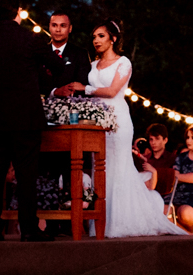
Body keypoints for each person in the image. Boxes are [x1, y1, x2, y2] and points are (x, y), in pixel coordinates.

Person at [69, 19, 186, 238]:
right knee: (99, 169)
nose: (96, 40)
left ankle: (122, 222)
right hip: (96, 123)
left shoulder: (123, 62)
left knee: (118, 168)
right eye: (94, 36)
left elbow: (113, 90)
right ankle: (102, 221)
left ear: (113, 39)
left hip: (118, 120)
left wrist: (85, 88)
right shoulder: (92, 65)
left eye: (101, 36)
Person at [0, 0, 66, 242]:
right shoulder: (30, 39)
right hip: (25, 117)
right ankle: (29, 229)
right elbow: (57, 66)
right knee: (26, 174)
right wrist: (36, 71)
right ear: (18, 13)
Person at [43, 11, 91, 95]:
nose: (58, 30)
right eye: (54, 25)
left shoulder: (80, 54)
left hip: (71, 104)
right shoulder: (39, 52)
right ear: (49, 27)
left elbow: (83, 84)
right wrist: (54, 92)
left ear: (70, 28)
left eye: (63, 26)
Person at [142, 124, 176, 198]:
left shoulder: (172, 158)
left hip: (166, 196)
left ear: (165, 140)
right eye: (151, 139)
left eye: (157, 139)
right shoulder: (145, 159)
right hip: (145, 195)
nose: (153, 142)